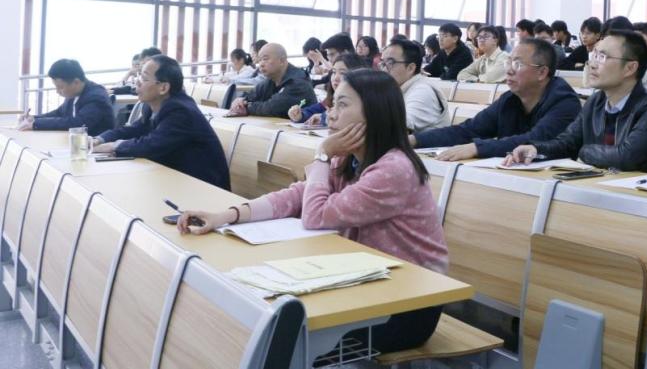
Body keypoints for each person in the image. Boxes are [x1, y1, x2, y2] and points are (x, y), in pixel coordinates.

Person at [177, 69, 448, 354]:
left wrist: (323, 153)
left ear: (374, 113)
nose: (331, 113)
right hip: (365, 282)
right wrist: (226, 216)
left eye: (342, 104)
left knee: (280, 336)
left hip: (407, 306)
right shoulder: (350, 158)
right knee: (259, 312)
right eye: (333, 102)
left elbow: (315, 215)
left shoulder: (394, 169)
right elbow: (296, 196)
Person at [505, 30, 647, 174]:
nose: (592, 64)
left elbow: (627, 157)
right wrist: (536, 149)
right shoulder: (596, 102)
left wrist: (584, 151)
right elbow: (567, 143)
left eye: (602, 57)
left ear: (630, 68)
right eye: (594, 56)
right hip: (604, 187)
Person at [414, 40, 580, 161]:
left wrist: (477, 148)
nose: (509, 71)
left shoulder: (565, 102)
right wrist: (415, 140)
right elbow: (468, 130)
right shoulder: (510, 99)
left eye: (518, 64)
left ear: (542, 72)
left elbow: (535, 139)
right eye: (509, 62)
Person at [93, 56, 230, 190]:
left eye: (144, 78)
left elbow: (151, 145)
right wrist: (99, 139)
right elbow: (134, 129)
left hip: (205, 188)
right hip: (175, 180)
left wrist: (115, 146)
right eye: (139, 75)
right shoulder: (152, 106)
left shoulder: (180, 111)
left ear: (163, 88)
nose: (137, 82)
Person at [18, 59, 115, 136]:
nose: (57, 91)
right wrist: (34, 118)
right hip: (74, 142)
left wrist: (37, 124)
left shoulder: (96, 97)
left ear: (76, 82)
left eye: (60, 87)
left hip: (95, 147)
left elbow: (77, 124)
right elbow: (59, 113)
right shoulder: (74, 93)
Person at [228, 43, 317, 118]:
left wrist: (247, 107)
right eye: (259, 60)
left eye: (265, 59)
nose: (261, 64)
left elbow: (272, 108)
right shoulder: (272, 79)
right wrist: (241, 100)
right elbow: (252, 95)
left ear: (282, 60)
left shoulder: (298, 82)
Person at [381, 39, 448, 134]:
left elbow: (401, 125)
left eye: (390, 63)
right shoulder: (398, 88)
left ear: (410, 68)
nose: (384, 69)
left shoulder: (423, 91)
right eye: (383, 63)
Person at [289, 53, 367, 126]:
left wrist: (324, 118)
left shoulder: (362, 102)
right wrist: (300, 115)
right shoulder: (331, 99)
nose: (335, 78)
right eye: (334, 72)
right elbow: (312, 111)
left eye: (343, 73)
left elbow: (349, 118)